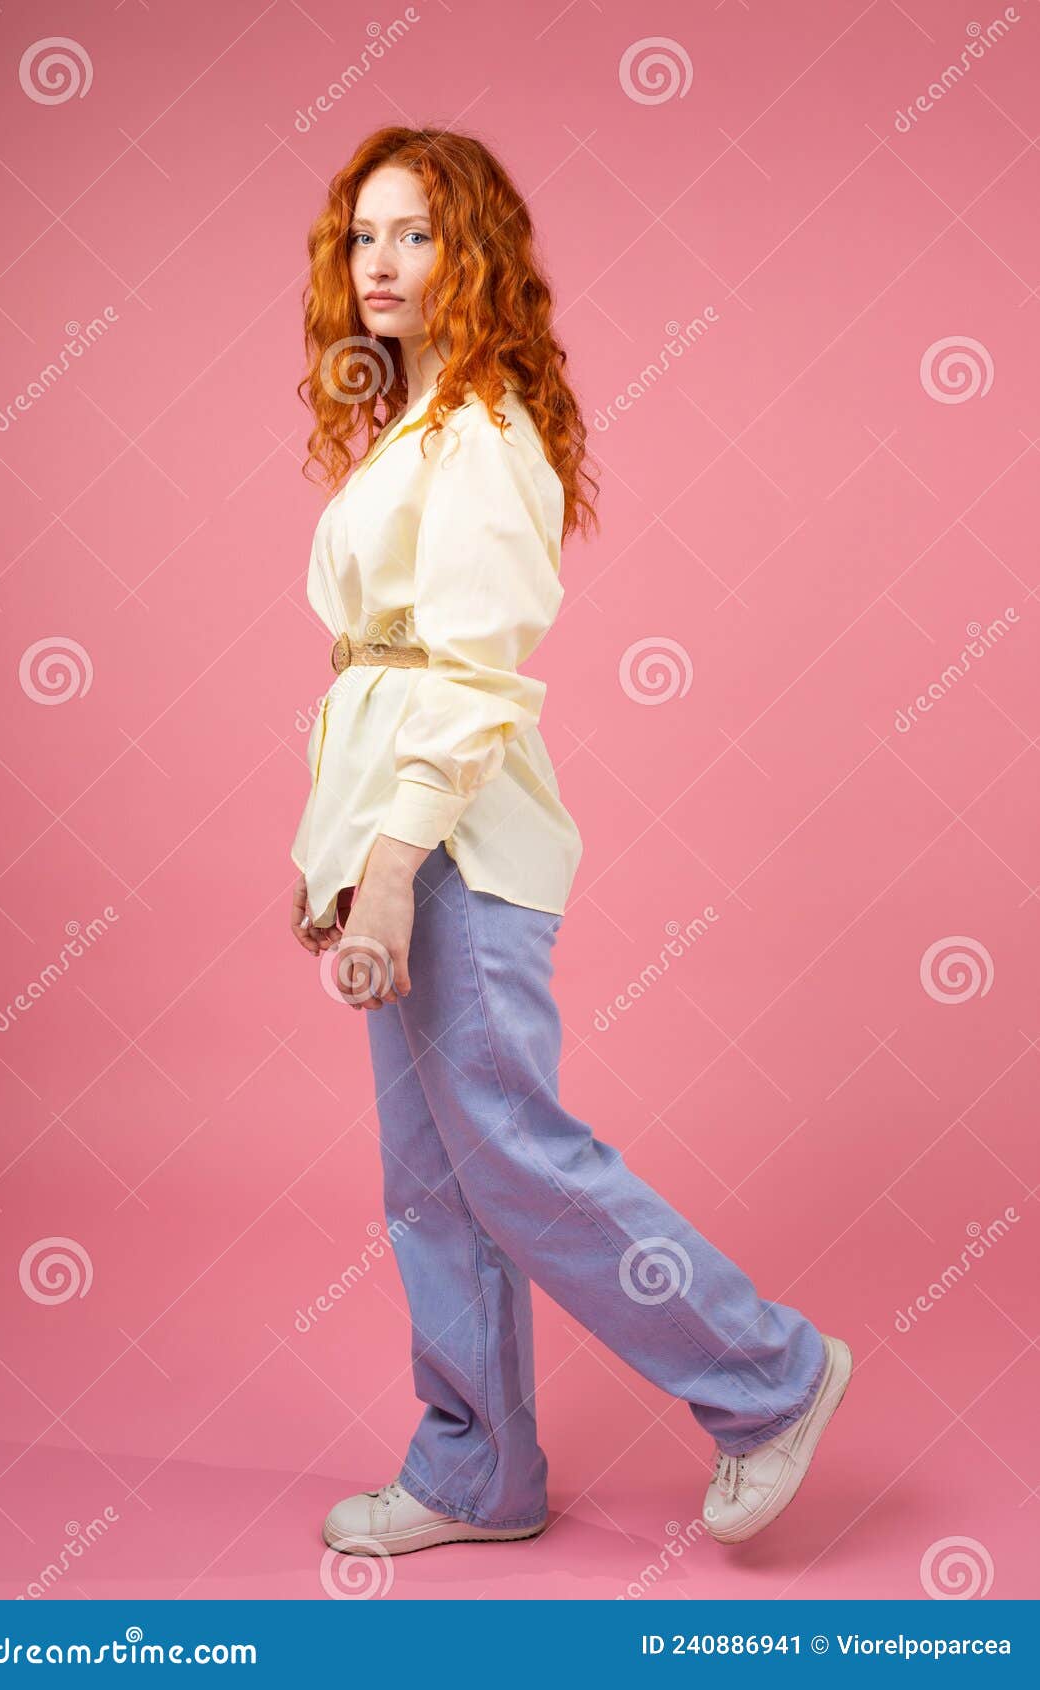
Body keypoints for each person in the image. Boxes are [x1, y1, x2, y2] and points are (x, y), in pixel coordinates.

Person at [289, 126, 852, 1557]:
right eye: (366, 236)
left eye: (416, 234)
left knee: (515, 1154)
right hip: (407, 845)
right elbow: (381, 668)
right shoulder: (411, 430)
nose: (383, 264)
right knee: (437, 1180)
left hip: (462, 857)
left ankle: (769, 1376)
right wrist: (340, 859)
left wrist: (397, 865)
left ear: (472, 252)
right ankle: (477, 1468)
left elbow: (473, 680)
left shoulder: (479, 435)